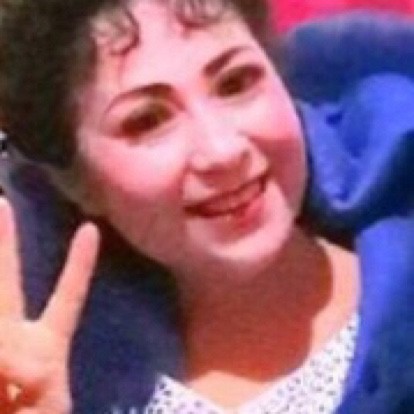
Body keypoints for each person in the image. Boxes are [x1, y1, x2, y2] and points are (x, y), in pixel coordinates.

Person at [0, 1, 413, 413]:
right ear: (78, 184)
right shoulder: (65, 388)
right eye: (147, 120)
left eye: (236, 82)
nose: (222, 150)